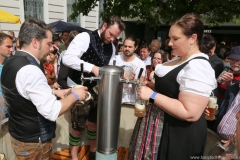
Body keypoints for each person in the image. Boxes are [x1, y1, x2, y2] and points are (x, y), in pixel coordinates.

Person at [129, 13, 216, 160]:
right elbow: (174, 90)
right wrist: (152, 85)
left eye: (176, 39)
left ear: (193, 39)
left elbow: (190, 112)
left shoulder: (198, 66)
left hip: (177, 135)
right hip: (158, 124)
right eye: (170, 38)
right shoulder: (181, 59)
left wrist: (152, 95)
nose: (169, 43)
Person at [1, 18, 88, 159]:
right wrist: (75, 95)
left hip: (19, 137)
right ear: (35, 42)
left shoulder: (10, 62)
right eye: (48, 43)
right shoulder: (30, 69)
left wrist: (55, 92)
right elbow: (52, 111)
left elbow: (24, 91)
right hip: (34, 144)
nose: (52, 48)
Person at [62, 15, 125, 160]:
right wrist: (93, 68)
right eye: (111, 34)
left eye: (115, 37)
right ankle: (74, 156)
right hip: (80, 88)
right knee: (78, 128)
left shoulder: (112, 47)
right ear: (104, 26)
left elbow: (112, 66)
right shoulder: (85, 37)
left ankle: (92, 152)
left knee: (93, 124)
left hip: (98, 90)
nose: (112, 39)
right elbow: (68, 58)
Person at [0, 33, 13, 118]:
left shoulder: (12, 62)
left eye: (12, 46)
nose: (11, 49)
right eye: (8, 47)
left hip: (12, 111)